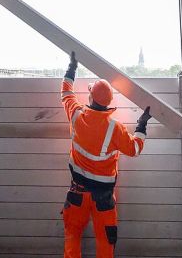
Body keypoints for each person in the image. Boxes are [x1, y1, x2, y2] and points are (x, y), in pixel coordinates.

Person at [60, 51, 152, 258]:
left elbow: (66, 93)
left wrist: (71, 68)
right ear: (108, 102)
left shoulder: (76, 115)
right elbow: (135, 149)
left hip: (77, 194)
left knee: (73, 237)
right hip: (103, 198)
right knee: (105, 243)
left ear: (90, 97)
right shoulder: (115, 128)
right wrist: (142, 124)